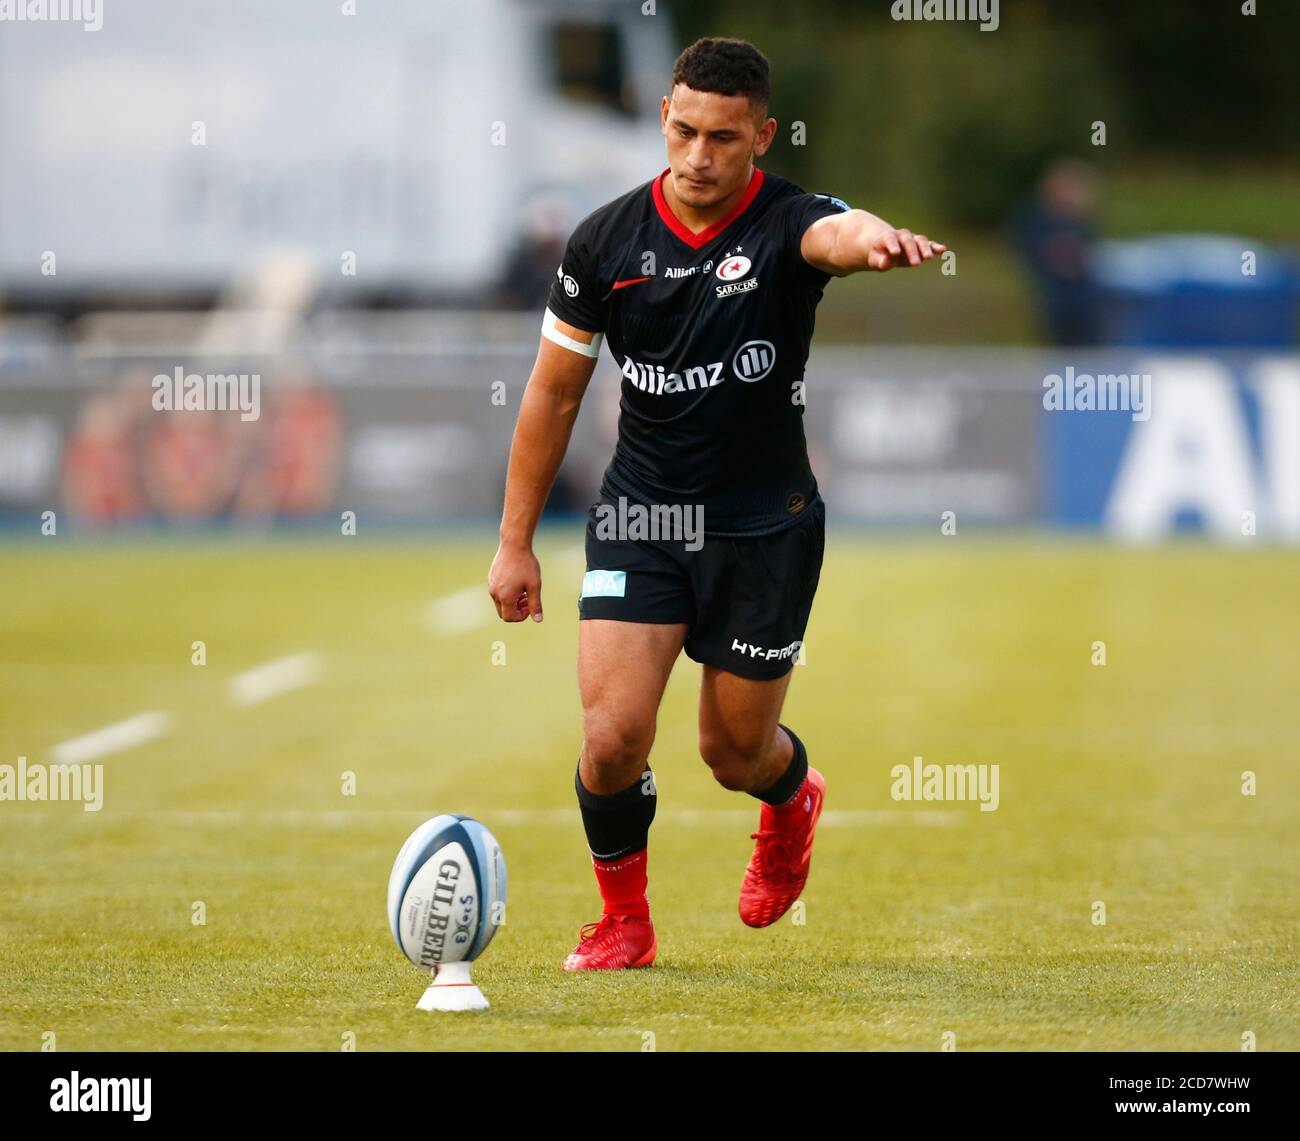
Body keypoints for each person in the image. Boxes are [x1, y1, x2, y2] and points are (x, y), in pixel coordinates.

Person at [488, 36, 946, 970]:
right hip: (643, 515)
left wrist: (877, 241)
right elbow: (554, 393)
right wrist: (515, 542)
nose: (699, 156)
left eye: (724, 139)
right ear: (663, 117)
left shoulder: (785, 223)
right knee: (612, 737)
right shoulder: (604, 241)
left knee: (734, 754)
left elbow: (839, 233)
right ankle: (625, 921)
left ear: (761, 139)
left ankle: (791, 799)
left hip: (763, 523)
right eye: (685, 131)